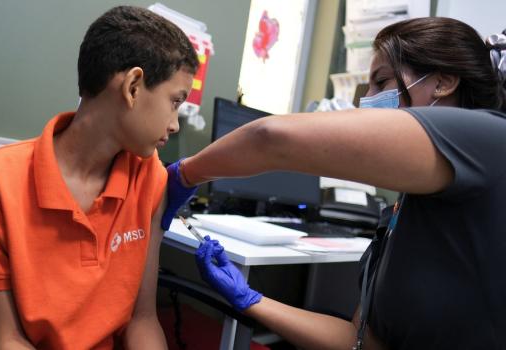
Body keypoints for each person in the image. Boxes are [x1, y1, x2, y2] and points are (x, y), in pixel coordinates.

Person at [161, 17, 506, 349]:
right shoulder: (408, 204)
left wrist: (184, 174)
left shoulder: (491, 138)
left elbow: (271, 137)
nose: (365, 100)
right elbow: (359, 341)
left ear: (443, 83)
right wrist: (250, 299)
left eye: (382, 82)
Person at [0, 6, 198, 349]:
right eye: (175, 102)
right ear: (133, 86)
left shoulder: (149, 177)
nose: (174, 124)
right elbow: (4, 339)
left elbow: (142, 320)